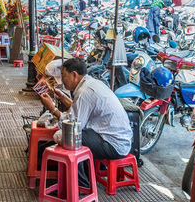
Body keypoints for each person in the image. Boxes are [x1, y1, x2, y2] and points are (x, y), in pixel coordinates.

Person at [38, 57, 132, 187]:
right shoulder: (91, 83)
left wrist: (52, 108)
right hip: (116, 138)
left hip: (114, 144)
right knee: (74, 135)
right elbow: (81, 112)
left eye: (64, 76)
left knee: (72, 137)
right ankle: (81, 178)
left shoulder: (85, 92)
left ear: (74, 75)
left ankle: (81, 185)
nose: (62, 80)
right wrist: (63, 98)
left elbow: (73, 125)